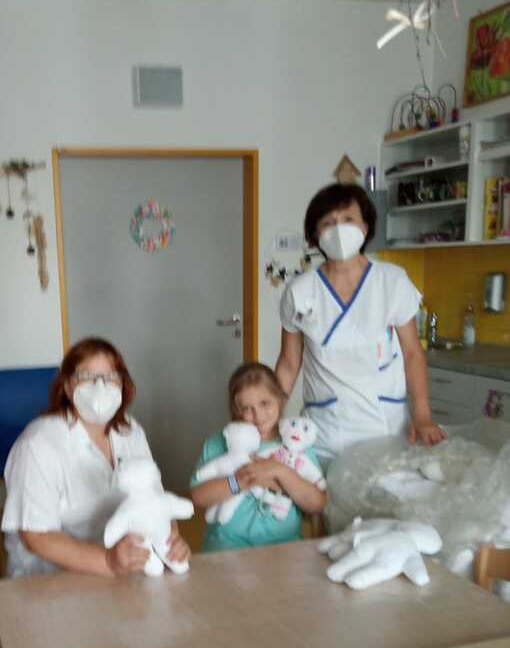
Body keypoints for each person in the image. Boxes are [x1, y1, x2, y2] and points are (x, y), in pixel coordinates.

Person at [275, 183, 446, 464]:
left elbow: (412, 353)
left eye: (348, 219)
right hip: (325, 430)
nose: (338, 230)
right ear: (315, 235)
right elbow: (288, 363)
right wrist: (272, 417)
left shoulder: (392, 281)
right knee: (321, 491)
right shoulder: (299, 292)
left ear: (365, 227)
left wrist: (423, 416)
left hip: (385, 428)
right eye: (328, 223)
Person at [2, 336, 191, 577]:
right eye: (87, 377)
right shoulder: (38, 445)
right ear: (67, 387)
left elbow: (154, 499)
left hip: (123, 566)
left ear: (123, 384)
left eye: (111, 377)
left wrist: (170, 541)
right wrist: (108, 562)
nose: (100, 387)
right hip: (50, 577)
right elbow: (37, 536)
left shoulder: (131, 431)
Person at [190, 362, 327, 552]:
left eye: (265, 403)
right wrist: (242, 480)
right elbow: (198, 497)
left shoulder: (296, 444)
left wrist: (279, 470)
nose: (258, 415)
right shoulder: (221, 442)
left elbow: (317, 504)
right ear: (236, 410)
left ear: (280, 399)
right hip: (226, 546)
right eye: (247, 408)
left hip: (284, 547)